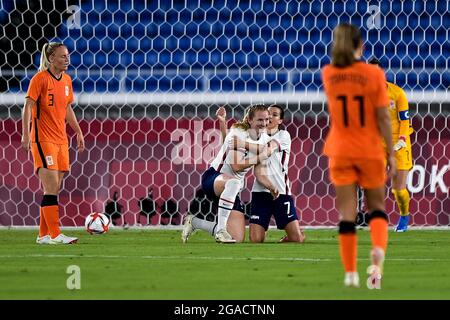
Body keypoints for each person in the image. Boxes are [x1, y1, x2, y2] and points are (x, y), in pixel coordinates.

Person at [321, 24, 396, 288]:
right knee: (376, 208)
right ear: (361, 46)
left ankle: (350, 273)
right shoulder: (374, 74)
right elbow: (383, 117)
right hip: (369, 149)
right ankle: (377, 258)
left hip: (340, 150)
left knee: (347, 214)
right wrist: (393, 154)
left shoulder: (329, 74)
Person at [182, 104, 278, 243]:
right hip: (214, 178)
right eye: (260, 120)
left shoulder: (263, 139)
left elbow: (259, 172)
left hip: (232, 190)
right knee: (234, 182)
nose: (264, 123)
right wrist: (261, 155)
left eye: (266, 120)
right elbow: (236, 166)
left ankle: (194, 222)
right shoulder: (239, 132)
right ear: (250, 120)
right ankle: (220, 231)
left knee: (236, 238)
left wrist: (271, 187)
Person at [22, 42, 84, 244]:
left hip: (60, 139)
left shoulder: (66, 80)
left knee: (54, 187)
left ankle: (43, 235)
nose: (67, 59)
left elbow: (67, 108)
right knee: (51, 186)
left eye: (67, 56)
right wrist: (25, 134)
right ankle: (56, 234)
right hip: (43, 138)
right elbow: (27, 107)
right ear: (51, 59)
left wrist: (78, 131)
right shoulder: (39, 79)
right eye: (62, 56)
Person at [219, 105, 306, 243]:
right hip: (260, 191)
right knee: (255, 239)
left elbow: (268, 149)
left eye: (275, 115)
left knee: (297, 239)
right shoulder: (256, 137)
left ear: (280, 121)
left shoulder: (283, 135)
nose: (270, 117)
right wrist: (223, 125)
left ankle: (295, 233)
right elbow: (230, 146)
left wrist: (242, 143)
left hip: (280, 190)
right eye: (268, 114)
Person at [369, 58, 414, 232]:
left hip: (399, 143)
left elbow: (404, 120)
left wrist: (402, 139)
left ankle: (404, 216)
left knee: (398, 190)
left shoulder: (397, 94)